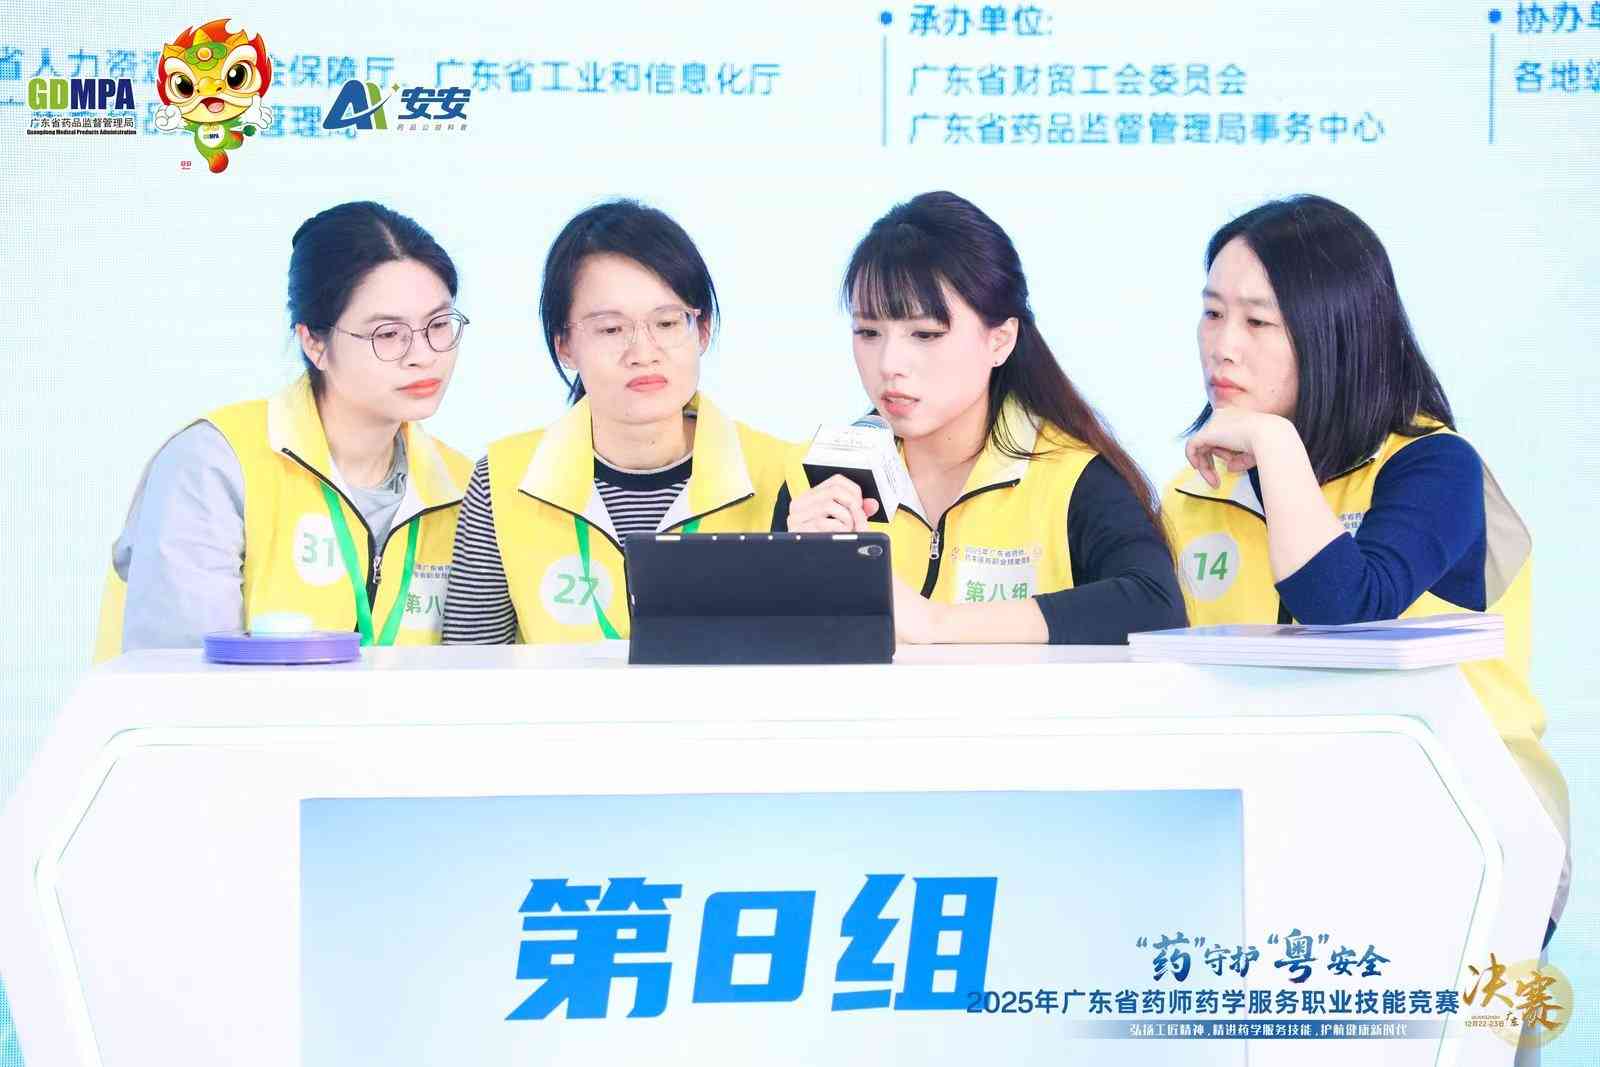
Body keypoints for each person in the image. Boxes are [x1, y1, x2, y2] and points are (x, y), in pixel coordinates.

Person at [1163, 193, 1570, 933]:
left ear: (1336, 334)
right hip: (1282, 832)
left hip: (1468, 828)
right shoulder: (1196, 493)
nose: (1223, 346)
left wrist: (1275, 443)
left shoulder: (1433, 466)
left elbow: (1345, 606)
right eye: (1212, 312)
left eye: (1258, 322)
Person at [781, 190, 1185, 645]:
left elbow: (1157, 606)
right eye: (868, 332)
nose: (889, 363)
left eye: (926, 334)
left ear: (1000, 340)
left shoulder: (1072, 477)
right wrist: (796, 576)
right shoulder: (816, 483)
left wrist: (936, 623)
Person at [94, 201, 472, 656]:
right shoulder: (216, 463)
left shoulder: (464, 487)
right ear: (314, 342)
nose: (424, 355)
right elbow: (180, 677)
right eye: (388, 334)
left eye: (438, 324)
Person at [442, 200, 793, 644]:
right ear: (564, 344)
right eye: (611, 329)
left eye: (668, 323)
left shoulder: (780, 473)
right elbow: (470, 668)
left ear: (702, 331)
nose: (643, 352)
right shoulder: (502, 477)